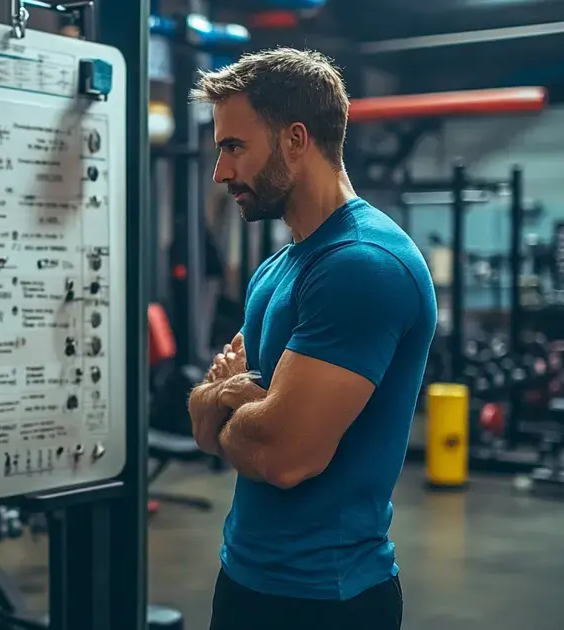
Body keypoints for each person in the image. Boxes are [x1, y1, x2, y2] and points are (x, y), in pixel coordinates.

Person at [186, 48, 437, 630]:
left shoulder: (362, 264)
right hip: (244, 577)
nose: (221, 172)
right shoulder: (278, 269)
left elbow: (283, 457)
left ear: (295, 140)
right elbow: (204, 423)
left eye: (233, 148)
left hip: (329, 600)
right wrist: (227, 404)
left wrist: (234, 407)